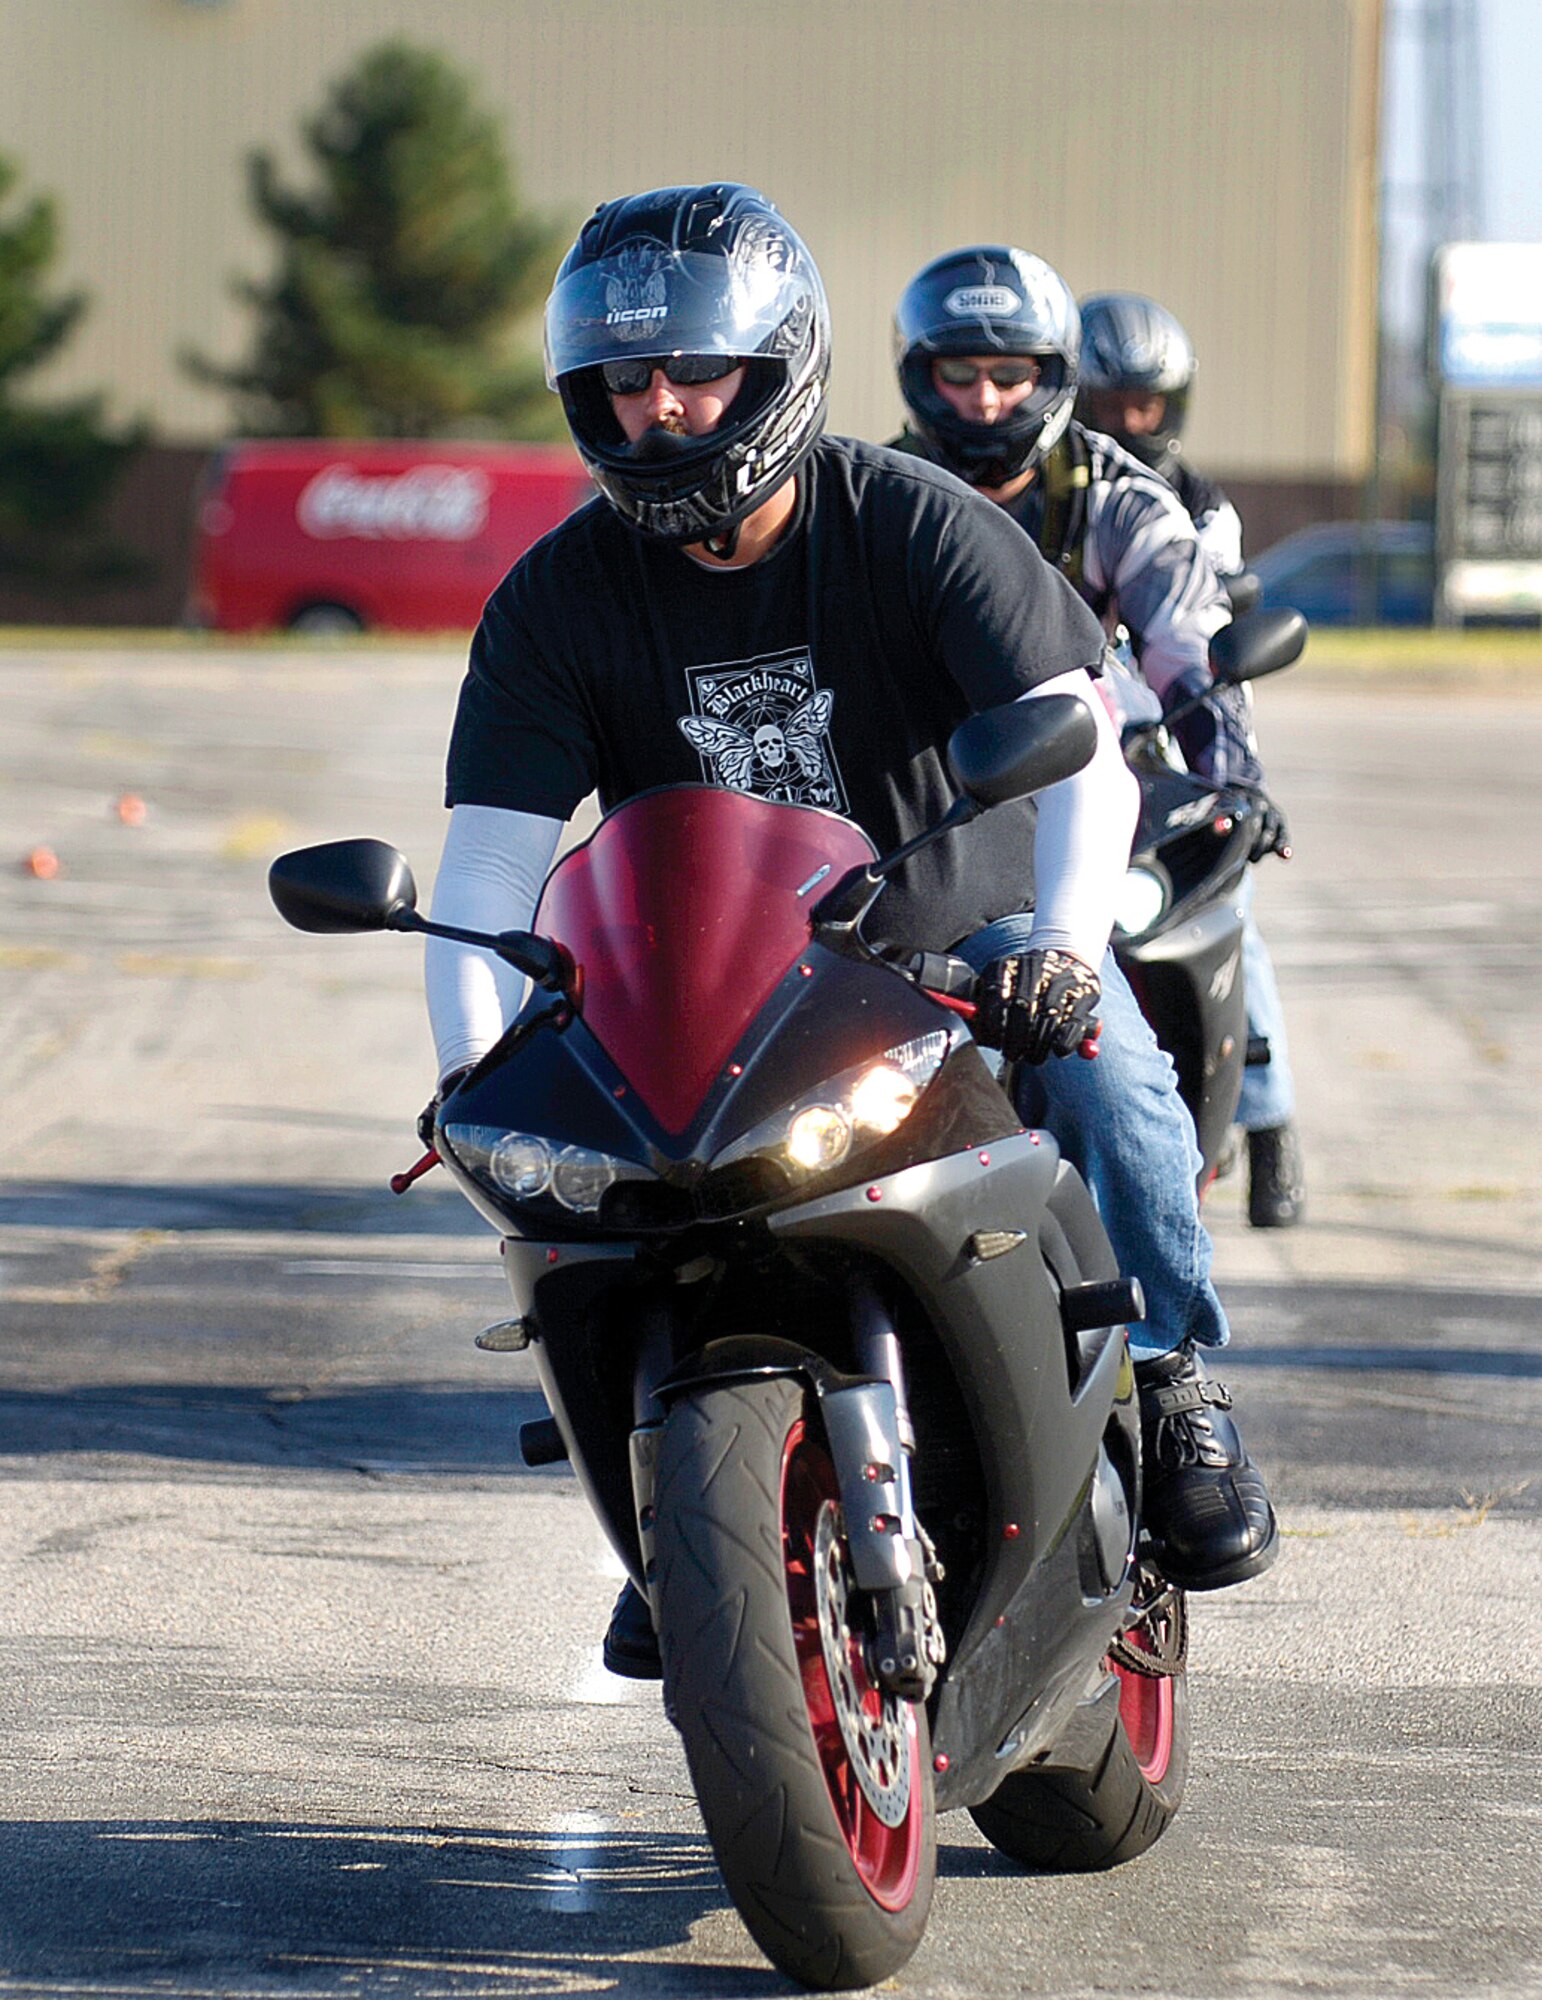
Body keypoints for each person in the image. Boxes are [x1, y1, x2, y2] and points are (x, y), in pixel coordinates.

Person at [424, 187, 1278, 1678]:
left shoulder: (912, 519)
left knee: (1111, 1076)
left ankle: (1174, 1378)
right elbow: (488, 872)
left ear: (777, 367)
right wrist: (468, 1078)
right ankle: (681, 1505)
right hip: (713, 980)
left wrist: (1062, 950)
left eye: (697, 371)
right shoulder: (556, 598)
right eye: (622, 379)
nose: (658, 408)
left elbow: (1079, 746)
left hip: (964, 932)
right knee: (594, 1211)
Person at [892, 249, 1302, 1228]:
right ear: (918, 374)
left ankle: (1233, 1167)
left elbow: (1190, 646)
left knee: (1128, 1087)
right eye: (960, 373)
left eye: (1011, 374)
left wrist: (1235, 778)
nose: (986, 399)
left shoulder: (1123, 499)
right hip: (924, 807)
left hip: (1113, 782)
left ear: (1052, 375)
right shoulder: (874, 494)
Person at [1077, 289, 1306, 1225]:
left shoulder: (1196, 504)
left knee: (1229, 919)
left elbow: (1202, 630)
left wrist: (1238, 782)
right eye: (1112, 405)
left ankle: (1268, 1125)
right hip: (1061, 748)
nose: (1131, 424)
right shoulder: (1055, 490)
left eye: (1148, 405)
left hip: (1171, 749)